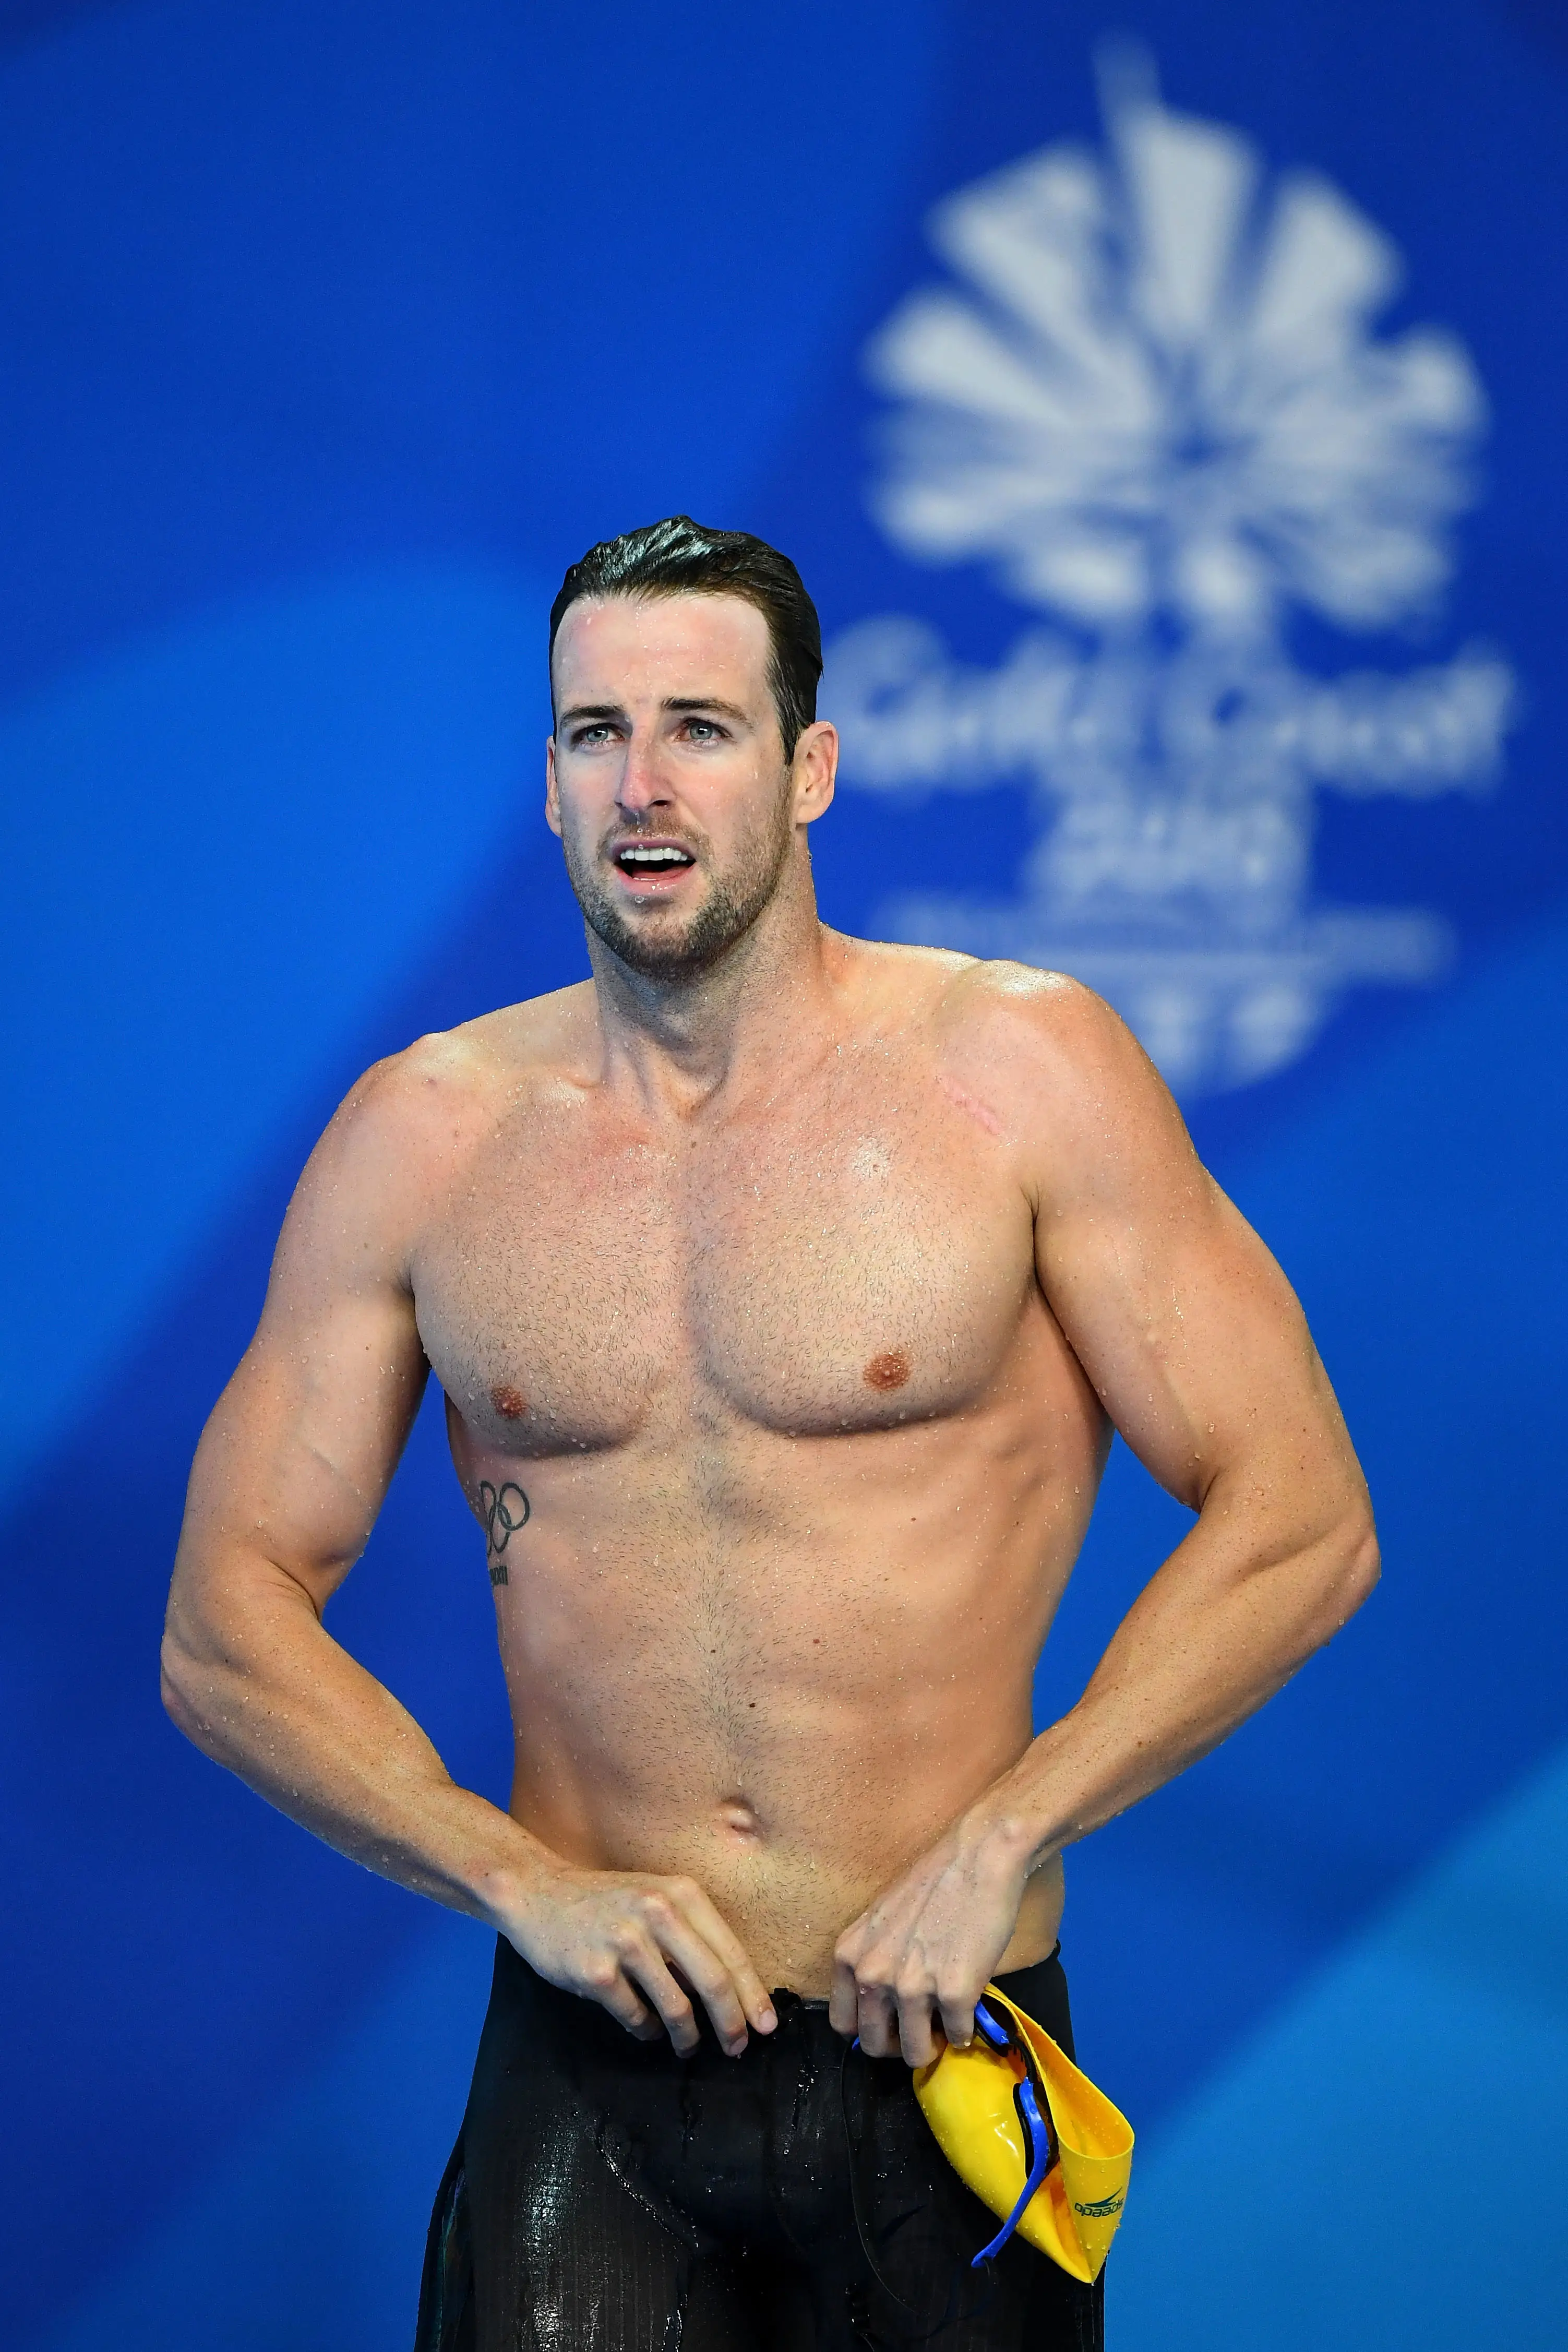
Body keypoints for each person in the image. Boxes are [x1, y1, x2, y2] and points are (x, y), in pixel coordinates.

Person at [161, 516, 1379, 2350]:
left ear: (807, 767)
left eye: (701, 729)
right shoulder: (424, 1138)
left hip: (941, 2039)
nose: (642, 784)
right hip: (591, 2071)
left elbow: (1301, 1517)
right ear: (551, 778)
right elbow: (219, 1624)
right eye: (594, 734)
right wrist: (510, 1874)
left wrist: (1004, 1836)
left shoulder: (1018, 1074)